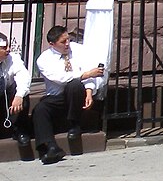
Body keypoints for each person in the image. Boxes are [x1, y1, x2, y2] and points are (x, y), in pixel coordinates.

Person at [32, 25, 104, 165]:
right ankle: (50, 146)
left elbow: (89, 67)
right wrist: (88, 74)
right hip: (56, 96)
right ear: (52, 44)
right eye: (63, 42)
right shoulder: (43, 60)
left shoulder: (77, 49)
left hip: (76, 94)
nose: (67, 44)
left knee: (75, 85)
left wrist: (89, 91)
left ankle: (74, 124)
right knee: (40, 109)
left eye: (68, 40)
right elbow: (62, 78)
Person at [0, 32, 31, 146]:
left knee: (22, 92)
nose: (8, 50)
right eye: (4, 48)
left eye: (9, 46)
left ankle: (20, 130)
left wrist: (19, 96)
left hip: (7, 99)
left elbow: (23, 76)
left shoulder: (13, 58)